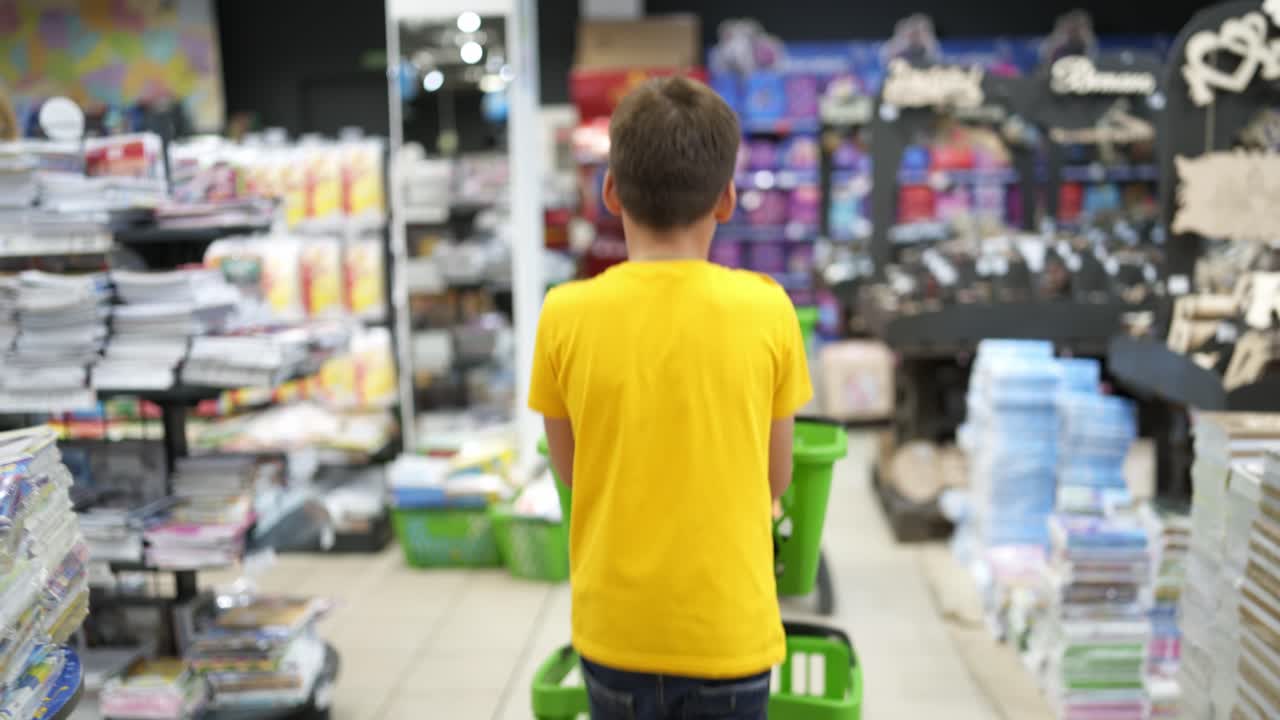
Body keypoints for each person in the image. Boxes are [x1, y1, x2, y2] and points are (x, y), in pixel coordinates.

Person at [528, 76, 813, 719]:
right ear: (727, 200)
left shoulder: (564, 314)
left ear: (610, 192)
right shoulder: (768, 310)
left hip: (615, 631)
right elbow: (777, 475)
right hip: (728, 633)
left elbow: (572, 469)